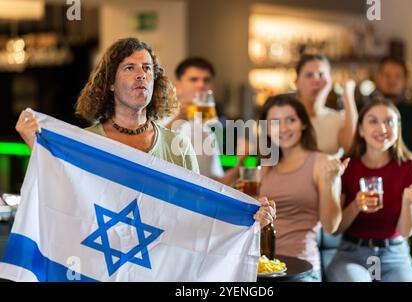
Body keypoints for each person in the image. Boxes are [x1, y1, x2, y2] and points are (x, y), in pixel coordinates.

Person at [15, 37, 275, 227]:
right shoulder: (88, 142)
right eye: (130, 68)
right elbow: (61, 204)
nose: (141, 74)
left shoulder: (179, 145)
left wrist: (248, 218)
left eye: (147, 68)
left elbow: (200, 214)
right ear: (111, 85)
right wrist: (37, 147)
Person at [238, 94, 348, 281]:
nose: (283, 128)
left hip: (301, 269)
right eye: (274, 122)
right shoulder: (264, 165)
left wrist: (330, 182)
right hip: (260, 267)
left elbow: (331, 226)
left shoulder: (323, 163)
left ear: (303, 123)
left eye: (290, 120)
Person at [325, 98, 412, 282]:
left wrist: (408, 203)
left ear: (398, 128)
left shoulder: (411, 166)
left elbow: (405, 231)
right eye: (373, 121)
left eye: (389, 121)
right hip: (352, 254)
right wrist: (355, 205)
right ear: (361, 130)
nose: (382, 128)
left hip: (395, 255)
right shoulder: (347, 166)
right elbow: (335, 229)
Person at [164, 57, 243, 185]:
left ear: (212, 87)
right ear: (178, 86)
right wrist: (178, 118)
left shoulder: (210, 127)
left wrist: (241, 159)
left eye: (206, 80)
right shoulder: (162, 116)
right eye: (193, 79)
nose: (201, 85)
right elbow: (149, 153)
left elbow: (218, 183)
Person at [295, 54, 358, 155]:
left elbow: (350, 147)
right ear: (296, 83)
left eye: (321, 75)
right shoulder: (281, 117)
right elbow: (265, 159)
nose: (316, 80)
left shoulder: (337, 119)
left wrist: (348, 95)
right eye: (309, 75)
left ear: (330, 82)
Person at [374, 56, 412, 165]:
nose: (392, 80)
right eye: (387, 75)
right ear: (378, 78)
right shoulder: (366, 111)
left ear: (405, 81)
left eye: (397, 76)